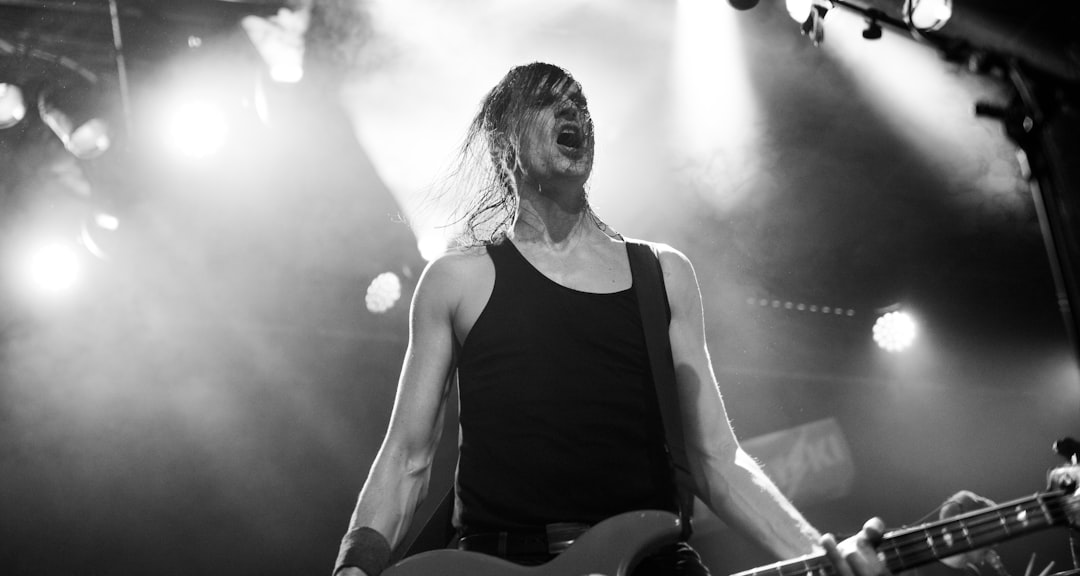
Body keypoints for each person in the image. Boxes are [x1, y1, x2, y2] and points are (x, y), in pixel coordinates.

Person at [333, 62, 891, 576]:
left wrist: (819, 553)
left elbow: (716, 455)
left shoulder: (662, 274)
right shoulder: (457, 280)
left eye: (580, 104)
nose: (573, 111)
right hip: (501, 560)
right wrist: (353, 565)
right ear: (505, 140)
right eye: (548, 101)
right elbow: (407, 456)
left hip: (650, 561)